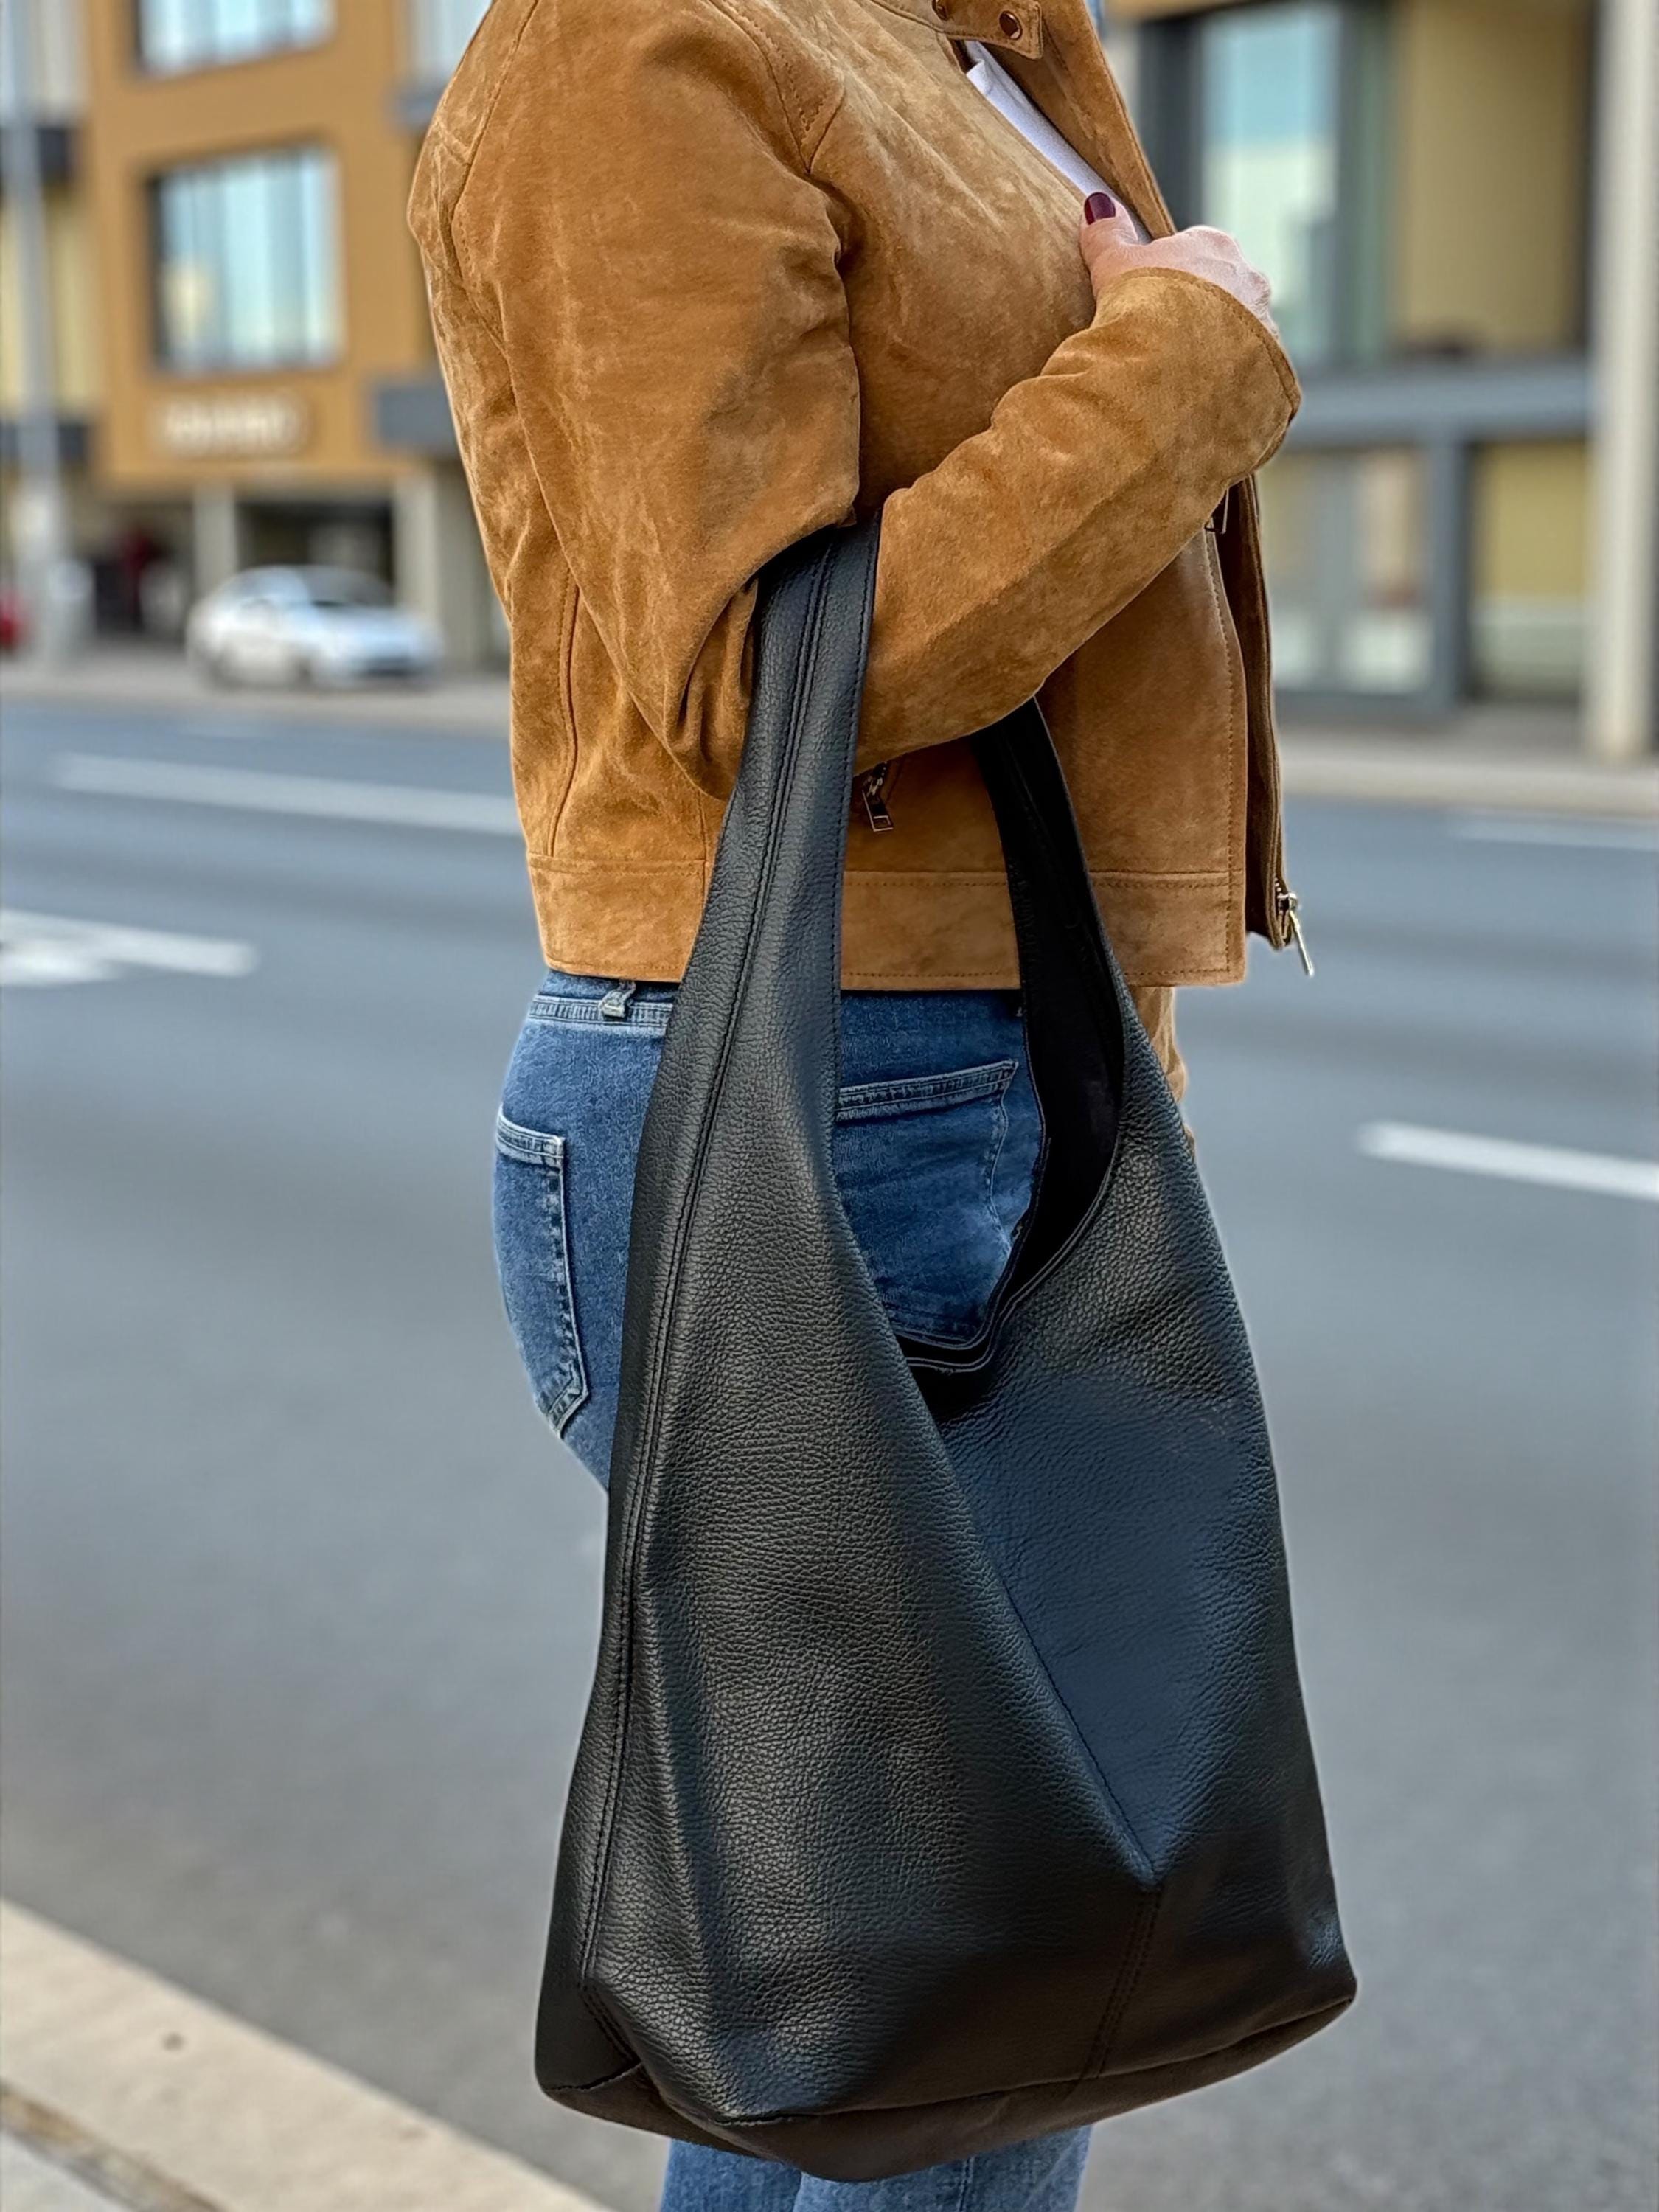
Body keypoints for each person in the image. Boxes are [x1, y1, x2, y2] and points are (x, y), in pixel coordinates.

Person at [411, 3, 1297, 2207]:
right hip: (825, 1080)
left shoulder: (954, 43)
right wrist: (1178, 352)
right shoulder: (642, 41)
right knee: (931, 1994)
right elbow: (758, 665)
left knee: (949, 1991)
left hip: (977, 1063)